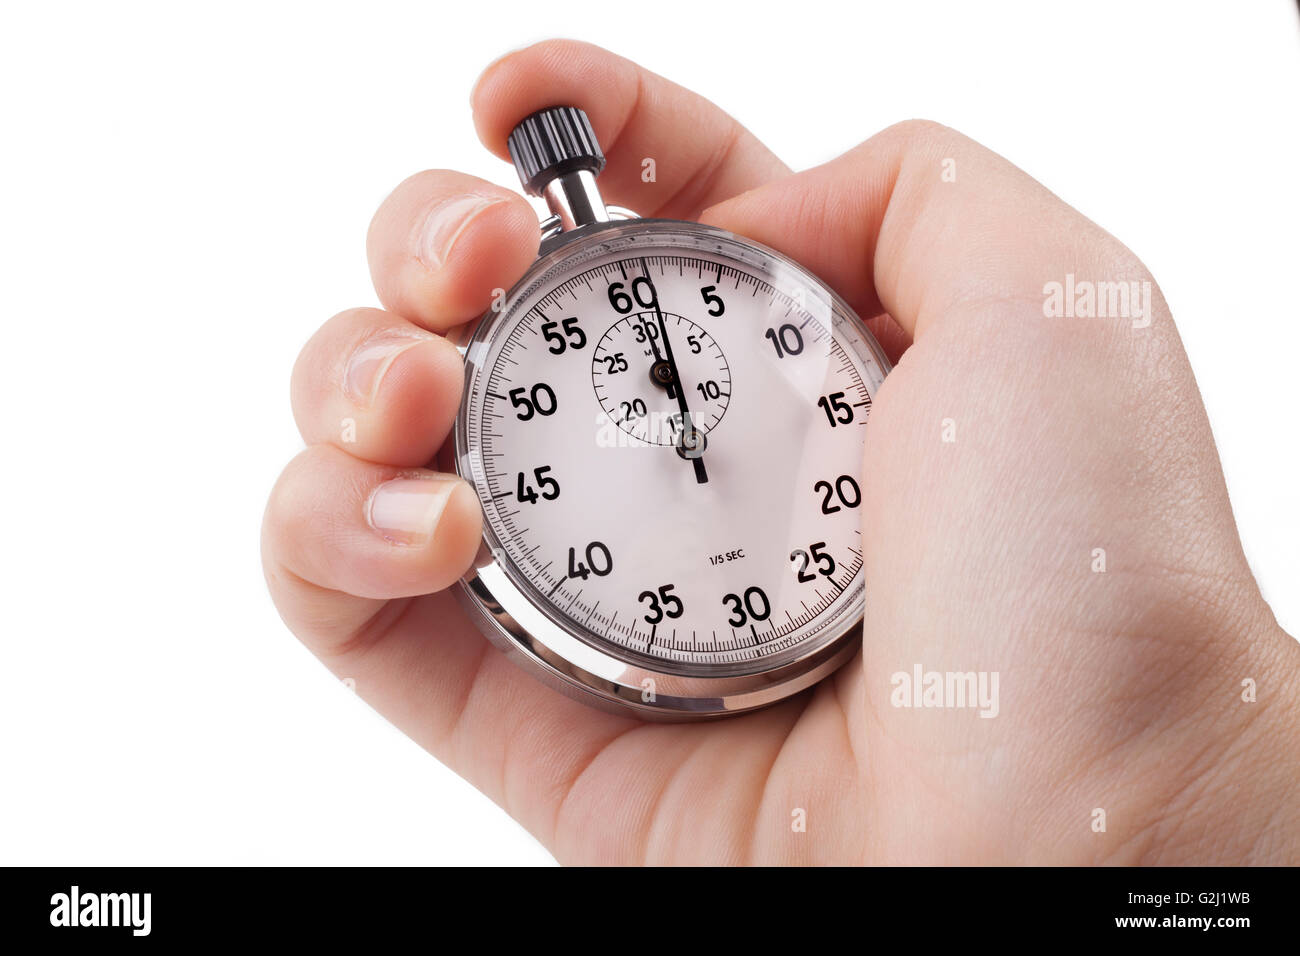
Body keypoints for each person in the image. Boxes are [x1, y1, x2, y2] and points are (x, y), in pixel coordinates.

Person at [261, 39, 1299, 865]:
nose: (682, 430)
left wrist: (1178, 770)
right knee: (406, 418)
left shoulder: (766, 288)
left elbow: (796, 345)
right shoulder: (505, 377)